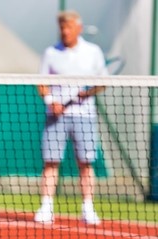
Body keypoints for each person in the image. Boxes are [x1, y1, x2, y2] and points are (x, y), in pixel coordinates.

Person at [35, 10, 107, 225]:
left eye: (69, 27)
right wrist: (51, 102)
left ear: (79, 28)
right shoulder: (51, 52)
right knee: (51, 162)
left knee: (85, 163)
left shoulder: (93, 52)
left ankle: (88, 209)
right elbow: (41, 83)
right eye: (62, 28)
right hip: (55, 118)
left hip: (84, 117)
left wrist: (87, 93)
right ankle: (46, 207)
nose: (65, 32)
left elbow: (102, 83)